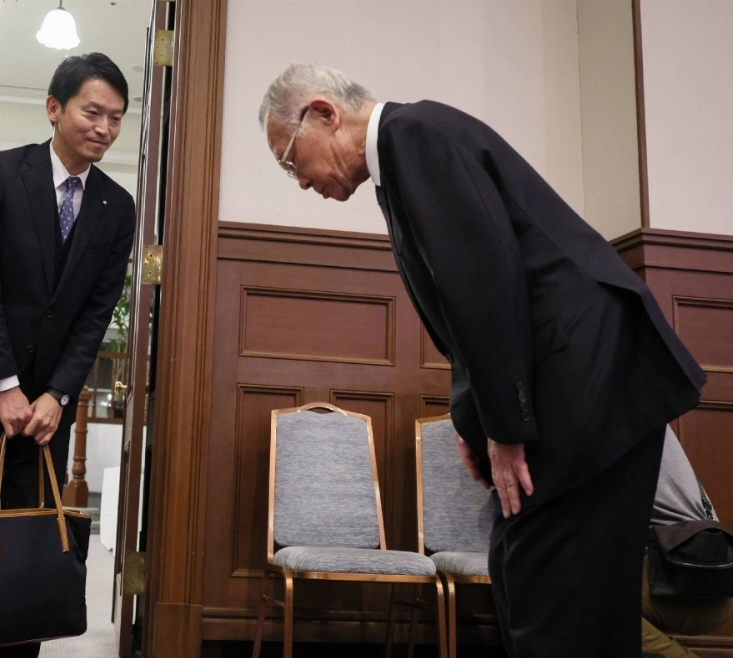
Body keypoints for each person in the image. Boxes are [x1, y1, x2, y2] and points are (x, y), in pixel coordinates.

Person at [259, 63, 705, 656]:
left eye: (290, 160)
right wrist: (476, 424)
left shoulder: (414, 136)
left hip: (586, 382)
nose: (299, 181)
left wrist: (504, 427)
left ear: (323, 113)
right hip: (587, 381)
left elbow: (486, 288)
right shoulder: (408, 150)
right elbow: (467, 310)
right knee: (564, 591)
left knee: (550, 591)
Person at [0, 52, 135, 658]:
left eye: (117, 118)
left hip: (47, 402)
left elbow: (96, 313)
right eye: (93, 112)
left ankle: (21, 649)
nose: (105, 128)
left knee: (33, 529)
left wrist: (58, 393)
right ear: (53, 108)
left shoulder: (117, 206)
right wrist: (5, 384)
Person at [644, 428, 733, 658]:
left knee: (586, 598)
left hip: (681, 584)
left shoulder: (617, 426)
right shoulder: (647, 418)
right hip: (717, 589)